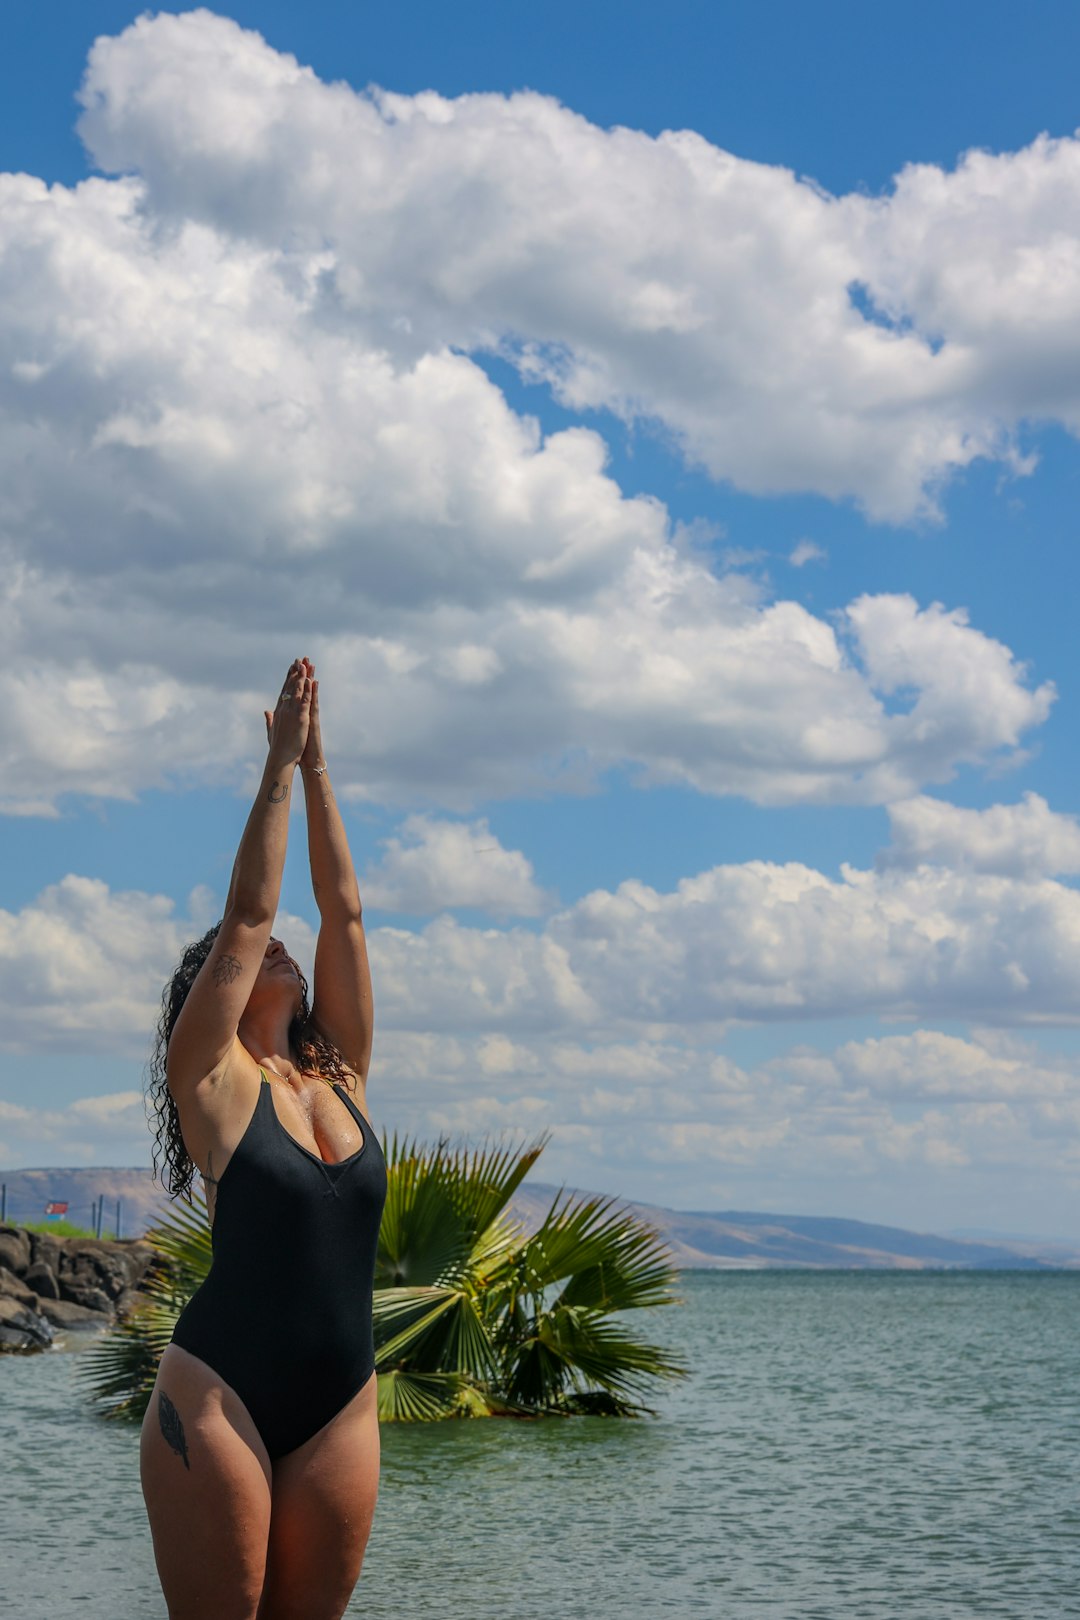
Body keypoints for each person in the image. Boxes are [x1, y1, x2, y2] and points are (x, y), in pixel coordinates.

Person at [140, 656, 386, 1620]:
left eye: (280, 949)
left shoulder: (345, 1077)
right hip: (219, 1392)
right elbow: (252, 911)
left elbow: (346, 914)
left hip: (341, 1398)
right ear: (219, 987)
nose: (274, 945)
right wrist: (276, 765)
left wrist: (322, 765)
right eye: (244, 956)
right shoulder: (212, 1081)